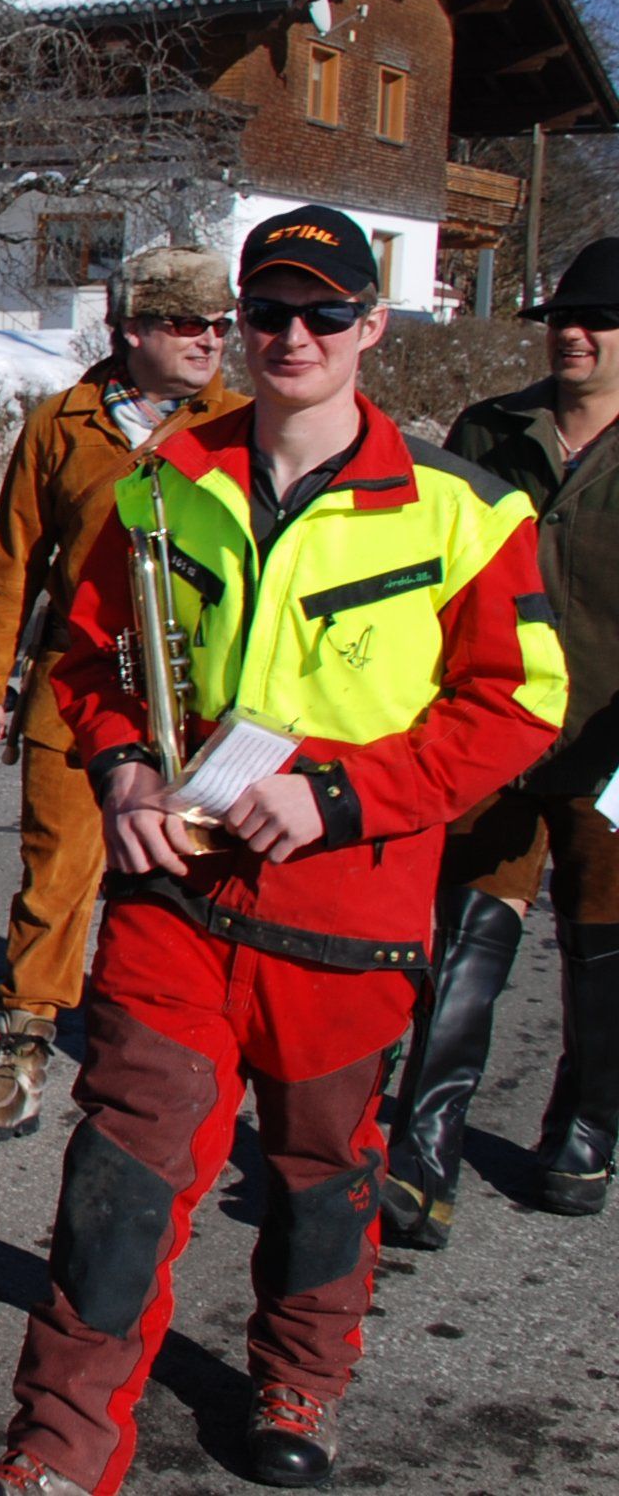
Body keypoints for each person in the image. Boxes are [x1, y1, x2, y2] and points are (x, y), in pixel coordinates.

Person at [0, 206, 568, 1496]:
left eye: (325, 313)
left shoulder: (462, 509)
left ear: (371, 327)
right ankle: (55, 1450)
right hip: (176, 897)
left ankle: (301, 1375)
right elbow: (89, 655)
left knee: (320, 1175)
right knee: (120, 1170)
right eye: (270, 311)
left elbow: (519, 704)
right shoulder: (163, 483)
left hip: (344, 914)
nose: (293, 336)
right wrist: (121, 765)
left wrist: (341, 796)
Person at [0, 245, 245, 1143]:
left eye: (221, 324)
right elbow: (13, 557)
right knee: (56, 876)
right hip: (76, 688)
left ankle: (168, 1060)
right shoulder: (63, 425)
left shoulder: (243, 424)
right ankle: (22, 1056)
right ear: (131, 329)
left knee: (187, 883)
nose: (211, 340)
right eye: (188, 323)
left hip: (198, 704)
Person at [382, 234, 619, 1242]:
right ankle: (421, 1155)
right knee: (467, 940)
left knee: (603, 946)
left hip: (612, 740)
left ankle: (585, 1132)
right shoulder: (489, 430)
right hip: (495, 730)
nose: (573, 335)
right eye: (562, 318)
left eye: (597, 321)